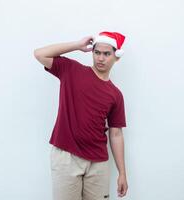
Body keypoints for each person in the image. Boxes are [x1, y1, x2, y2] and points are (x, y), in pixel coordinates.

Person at [34, 31, 128, 200]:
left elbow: (116, 134)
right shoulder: (72, 70)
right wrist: (77, 45)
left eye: (107, 54)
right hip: (67, 157)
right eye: (97, 52)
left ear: (117, 57)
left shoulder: (115, 95)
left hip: (98, 164)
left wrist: (122, 173)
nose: (100, 58)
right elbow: (40, 54)